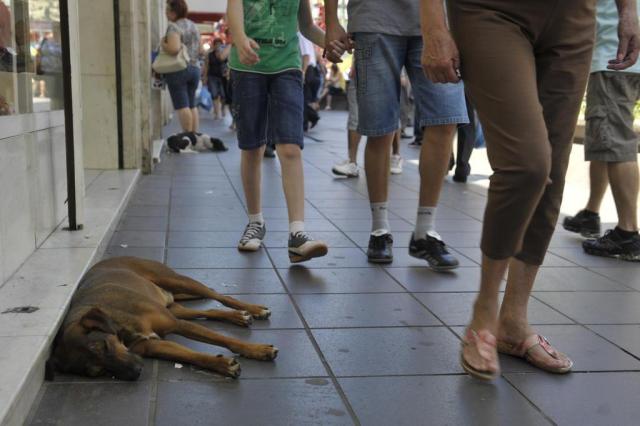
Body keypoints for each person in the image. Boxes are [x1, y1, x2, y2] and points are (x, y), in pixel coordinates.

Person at [421, 0, 639, 380]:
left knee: (552, 168)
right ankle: (485, 312)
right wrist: (434, 28)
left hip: (574, 17)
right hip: (490, 10)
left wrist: (627, 9)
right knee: (528, 164)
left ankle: (513, 321)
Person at [325, 0, 469, 269]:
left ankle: (425, 231)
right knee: (379, 129)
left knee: (446, 119)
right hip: (374, 18)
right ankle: (380, 229)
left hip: (439, 23)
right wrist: (332, 21)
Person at [228, 0, 341, 262]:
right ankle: (255, 222)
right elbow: (233, 8)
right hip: (247, 67)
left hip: (287, 66)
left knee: (290, 146)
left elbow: (307, 26)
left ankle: (297, 233)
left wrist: (330, 43)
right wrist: (241, 38)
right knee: (252, 147)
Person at [563, 0, 640, 262]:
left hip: (615, 55)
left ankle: (627, 233)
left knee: (615, 141)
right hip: (623, 54)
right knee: (603, 138)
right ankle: (591, 212)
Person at [162, 0, 202, 152]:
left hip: (179, 69)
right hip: (195, 68)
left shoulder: (174, 26)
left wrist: (163, 44)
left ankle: (187, 138)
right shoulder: (192, 25)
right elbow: (199, 49)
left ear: (174, 11)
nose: (166, 13)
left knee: (182, 105)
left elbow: (173, 48)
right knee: (192, 105)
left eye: (167, 10)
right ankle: (193, 137)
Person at [333, 67, 362, 177]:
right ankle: (352, 162)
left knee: (387, 114)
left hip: (370, 66)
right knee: (355, 116)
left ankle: (393, 156)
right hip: (362, 67)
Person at [203, 38, 231, 120]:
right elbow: (206, 66)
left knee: (223, 95)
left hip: (223, 77)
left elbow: (229, 64)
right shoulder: (210, 55)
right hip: (212, 76)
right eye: (216, 44)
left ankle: (222, 108)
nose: (218, 46)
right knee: (214, 94)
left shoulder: (225, 54)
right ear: (214, 45)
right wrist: (205, 77)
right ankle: (216, 112)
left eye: (219, 44)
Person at [300, 33, 321, 131]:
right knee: (305, 99)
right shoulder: (308, 37)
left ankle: (310, 119)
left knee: (302, 99)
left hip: (307, 69)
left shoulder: (301, 35)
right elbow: (316, 55)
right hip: (311, 69)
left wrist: (303, 72)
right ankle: (311, 118)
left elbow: (306, 56)